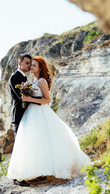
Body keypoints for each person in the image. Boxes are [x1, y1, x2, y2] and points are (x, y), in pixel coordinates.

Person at [7, 56, 90, 186]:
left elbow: (47, 100)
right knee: (30, 143)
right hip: (27, 115)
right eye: (29, 64)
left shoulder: (41, 82)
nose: (30, 67)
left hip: (38, 113)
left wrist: (30, 100)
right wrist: (28, 99)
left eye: (33, 65)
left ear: (40, 68)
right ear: (20, 63)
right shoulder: (27, 79)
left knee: (40, 142)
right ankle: (27, 173)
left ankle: (38, 172)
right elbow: (22, 97)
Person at [9, 54, 32, 135]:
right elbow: (21, 97)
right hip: (18, 116)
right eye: (27, 63)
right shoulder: (15, 77)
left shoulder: (24, 77)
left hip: (25, 115)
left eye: (30, 63)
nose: (29, 65)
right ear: (20, 63)